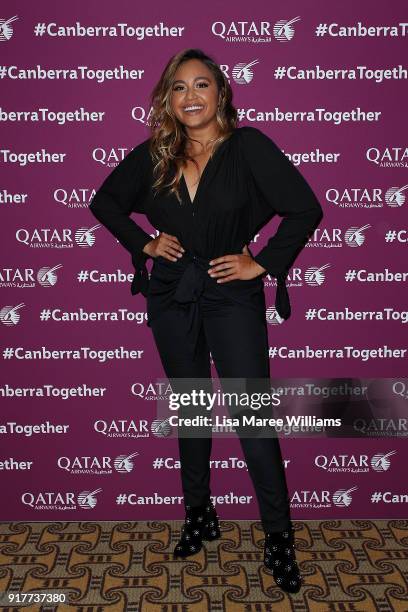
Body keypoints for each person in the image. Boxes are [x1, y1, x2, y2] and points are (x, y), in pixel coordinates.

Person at [89, 48, 323, 594]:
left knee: (252, 419)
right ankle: (200, 514)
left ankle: (279, 540)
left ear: (221, 94)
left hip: (230, 293)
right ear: (167, 98)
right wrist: (143, 243)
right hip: (171, 293)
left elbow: (305, 208)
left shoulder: (249, 148)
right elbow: (105, 203)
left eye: (201, 85)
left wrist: (260, 261)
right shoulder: (156, 155)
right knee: (191, 409)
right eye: (178, 87)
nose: (190, 97)